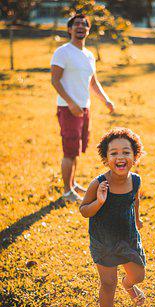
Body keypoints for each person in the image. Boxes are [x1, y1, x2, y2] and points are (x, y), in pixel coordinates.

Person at [79, 127, 146, 307]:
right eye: (114, 153)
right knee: (109, 284)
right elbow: (84, 211)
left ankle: (129, 285)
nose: (120, 157)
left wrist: (137, 219)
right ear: (106, 157)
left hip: (127, 236)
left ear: (134, 156)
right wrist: (99, 202)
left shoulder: (135, 180)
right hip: (104, 241)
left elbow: (134, 200)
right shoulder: (98, 184)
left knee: (138, 275)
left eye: (126, 152)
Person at [51, 14, 114, 202]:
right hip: (68, 108)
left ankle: (73, 183)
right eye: (76, 24)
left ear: (88, 30)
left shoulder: (89, 55)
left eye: (84, 24)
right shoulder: (63, 52)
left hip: (84, 108)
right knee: (69, 151)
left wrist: (106, 100)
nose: (80, 26)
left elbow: (93, 83)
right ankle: (66, 191)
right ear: (69, 29)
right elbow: (55, 80)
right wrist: (71, 103)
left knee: (77, 149)